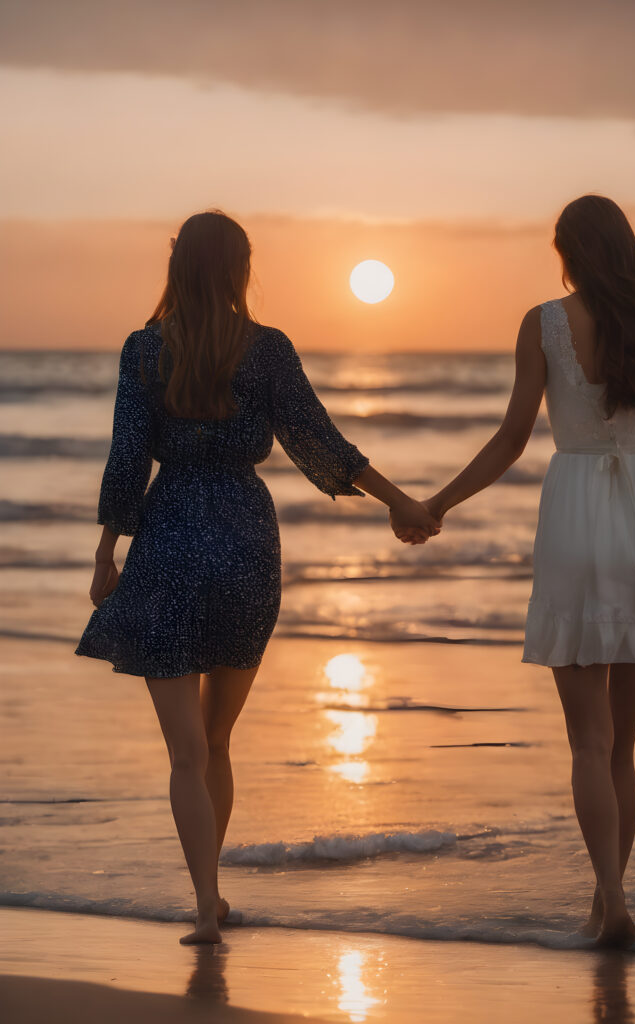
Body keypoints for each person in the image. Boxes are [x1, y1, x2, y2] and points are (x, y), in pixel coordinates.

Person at [75, 209, 438, 944]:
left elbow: (127, 457)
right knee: (216, 742)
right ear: (242, 267)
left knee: (184, 752)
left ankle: (206, 904)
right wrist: (399, 500)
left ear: (178, 266)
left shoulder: (145, 351)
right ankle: (213, 898)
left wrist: (107, 551)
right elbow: (319, 442)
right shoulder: (267, 349)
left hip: (170, 534)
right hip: (245, 539)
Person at [416, 195, 635, 948]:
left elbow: (512, 438)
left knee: (588, 742)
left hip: (575, 522)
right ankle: (605, 901)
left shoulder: (545, 323)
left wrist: (439, 503)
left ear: (567, 251)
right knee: (622, 748)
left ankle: (612, 900)